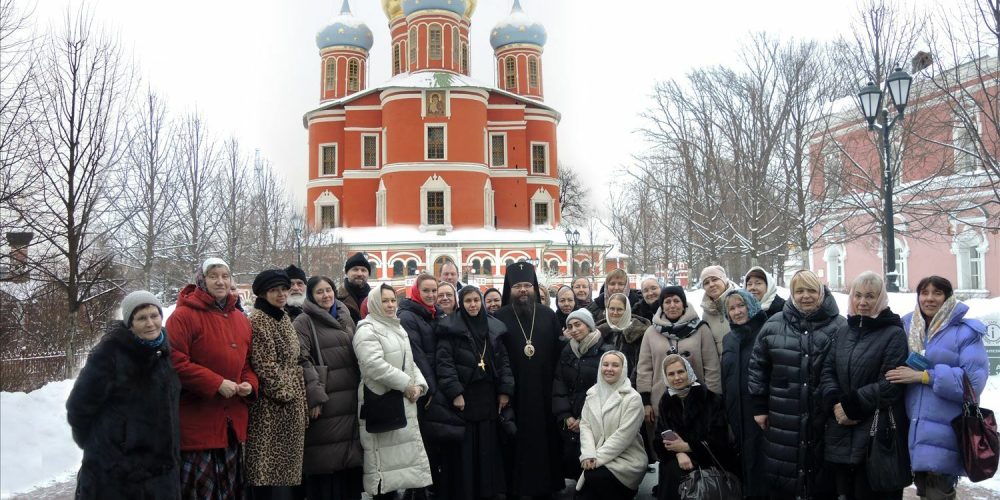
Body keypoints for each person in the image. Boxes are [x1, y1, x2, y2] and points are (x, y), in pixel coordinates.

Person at [66, 291, 181, 499]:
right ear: (130, 323)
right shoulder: (109, 354)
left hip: (160, 473)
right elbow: (78, 407)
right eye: (141, 318)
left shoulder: (163, 351)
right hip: (117, 475)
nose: (150, 323)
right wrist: (104, 448)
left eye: (154, 316)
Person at [886, 275, 989, 500]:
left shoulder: (965, 332)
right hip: (912, 427)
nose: (929, 298)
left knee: (939, 492)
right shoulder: (907, 326)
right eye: (924, 293)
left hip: (947, 430)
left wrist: (925, 376)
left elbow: (973, 382)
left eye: (937, 293)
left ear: (948, 297)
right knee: (924, 490)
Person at [748, 269, 845, 499]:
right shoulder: (774, 325)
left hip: (824, 415)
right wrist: (759, 407)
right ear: (791, 294)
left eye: (811, 290)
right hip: (783, 415)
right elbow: (758, 367)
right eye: (799, 291)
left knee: (822, 476)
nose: (805, 296)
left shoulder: (839, 326)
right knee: (785, 473)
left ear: (821, 293)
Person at [167, 258, 258, 499]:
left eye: (225, 276)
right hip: (198, 425)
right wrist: (216, 383)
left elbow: (247, 363)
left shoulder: (240, 318)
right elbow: (175, 361)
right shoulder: (182, 316)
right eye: (213, 276)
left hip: (230, 425)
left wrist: (250, 384)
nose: (220, 281)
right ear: (202, 280)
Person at [818, 272, 908, 500]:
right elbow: (827, 371)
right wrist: (835, 403)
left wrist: (851, 406)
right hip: (840, 429)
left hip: (875, 433)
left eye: (870, 296)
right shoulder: (843, 331)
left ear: (881, 298)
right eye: (857, 295)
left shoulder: (893, 334)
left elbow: (891, 383)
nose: (862, 302)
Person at [353, 284, 433, 499]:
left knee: (402, 466)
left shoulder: (396, 327)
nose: (389, 305)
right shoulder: (367, 329)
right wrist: (407, 384)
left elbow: (410, 361)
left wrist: (419, 385)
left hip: (403, 403)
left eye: (392, 300)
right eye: (384, 300)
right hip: (382, 403)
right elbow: (373, 365)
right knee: (385, 473)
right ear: (373, 303)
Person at [493, 261, 565, 498]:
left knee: (546, 439)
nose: (523, 290)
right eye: (517, 286)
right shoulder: (499, 317)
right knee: (516, 439)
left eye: (527, 285)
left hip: (545, 391)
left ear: (534, 287)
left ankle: (549, 485)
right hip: (515, 392)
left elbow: (558, 353)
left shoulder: (548, 315)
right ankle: (516, 487)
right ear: (509, 289)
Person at [436, 286, 515, 499]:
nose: (473, 305)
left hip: (488, 395)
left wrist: (505, 390)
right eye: (468, 301)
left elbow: (503, 361)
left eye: (476, 300)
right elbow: (445, 364)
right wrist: (455, 393)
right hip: (466, 397)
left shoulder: (492, 327)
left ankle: (486, 491)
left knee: (487, 446)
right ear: (461, 303)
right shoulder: (449, 328)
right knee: (466, 450)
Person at [294, 276, 364, 500]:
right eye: (319, 292)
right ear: (311, 297)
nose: (326, 296)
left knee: (350, 462)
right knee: (325, 463)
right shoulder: (303, 322)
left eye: (328, 290)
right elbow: (301, 359)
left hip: (350, 397)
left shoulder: (345, 315)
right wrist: (314, 395)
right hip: (327, 400)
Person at [245, 270, 308, 499]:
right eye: (274, 290)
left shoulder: (279, 315)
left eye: (284, 289)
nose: (281, 294)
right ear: (263, 293)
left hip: (288, 407)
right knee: (269, 472)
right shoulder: (259, 320)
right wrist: (288, 394)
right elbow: (265, 365)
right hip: (272, 410)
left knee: (284, 473)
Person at [637, 286, 721, 424]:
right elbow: (644, 369)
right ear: (662, 306)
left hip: (698, 403)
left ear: (684, 304)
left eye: (676, 301)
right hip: (660, 403)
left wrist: (713, 399)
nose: (672, 305)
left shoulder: (701, 329)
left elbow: (712, 366)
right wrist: (645, 401)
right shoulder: (651, 332)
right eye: (667, 302)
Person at [654, 354, 731, 500]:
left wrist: (688, 447)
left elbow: (720, 441)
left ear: (688, 371)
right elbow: (660, 438)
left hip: (709, 460)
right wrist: (678, 452)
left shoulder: (710, 398)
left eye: (680, 372)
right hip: (677, 458)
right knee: (671, 470)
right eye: (671, 374)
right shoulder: (666, 400)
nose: (677, 378)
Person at [576, 351, 647, 500]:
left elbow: (623, 437)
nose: (609, 369)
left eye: (615, 365)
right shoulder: (592, 394)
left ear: (623, 369)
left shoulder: (633, 398)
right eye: (605, 364)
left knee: (594, 477)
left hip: (626, 460)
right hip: (595, 457)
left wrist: (596, 459)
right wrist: (588, 454)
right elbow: (585, 426)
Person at [719, 289, 769, 499]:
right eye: (732, 308)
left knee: (760, 463)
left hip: (760, 413)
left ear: (752, 306)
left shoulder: (765, 333)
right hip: (735, 412)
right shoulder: (729, 339)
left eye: (742, 306)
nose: (737, 312)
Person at [553, 308, 611, 481]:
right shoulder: (567, 351)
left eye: (578, 324)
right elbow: (559, 383)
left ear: (589, 325)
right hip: (570, 416)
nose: (574, 329)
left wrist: (583, 419)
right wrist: (565, 414)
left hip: (595, 417)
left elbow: (606, 389)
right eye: (570, 326)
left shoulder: (605, 351)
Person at [596, 293, 651, 385]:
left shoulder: (639, 334)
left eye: (620, 309)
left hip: (629, 387)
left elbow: (641, 366)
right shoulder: (598, 333)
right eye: (612, 309)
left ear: (627, 311)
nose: (615, 312)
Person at [698, 265, 739, 354]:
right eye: (706, 283)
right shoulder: (706, 314)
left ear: (723, 280)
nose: (711, 284)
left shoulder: (741, 303)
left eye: (714, 279)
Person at [338, 252, 373, 324]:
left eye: (363, 270)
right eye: (355, 269)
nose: (359, 274)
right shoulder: (335, 297)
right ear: (347, 273)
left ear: (368, 274)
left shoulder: (376, 298)